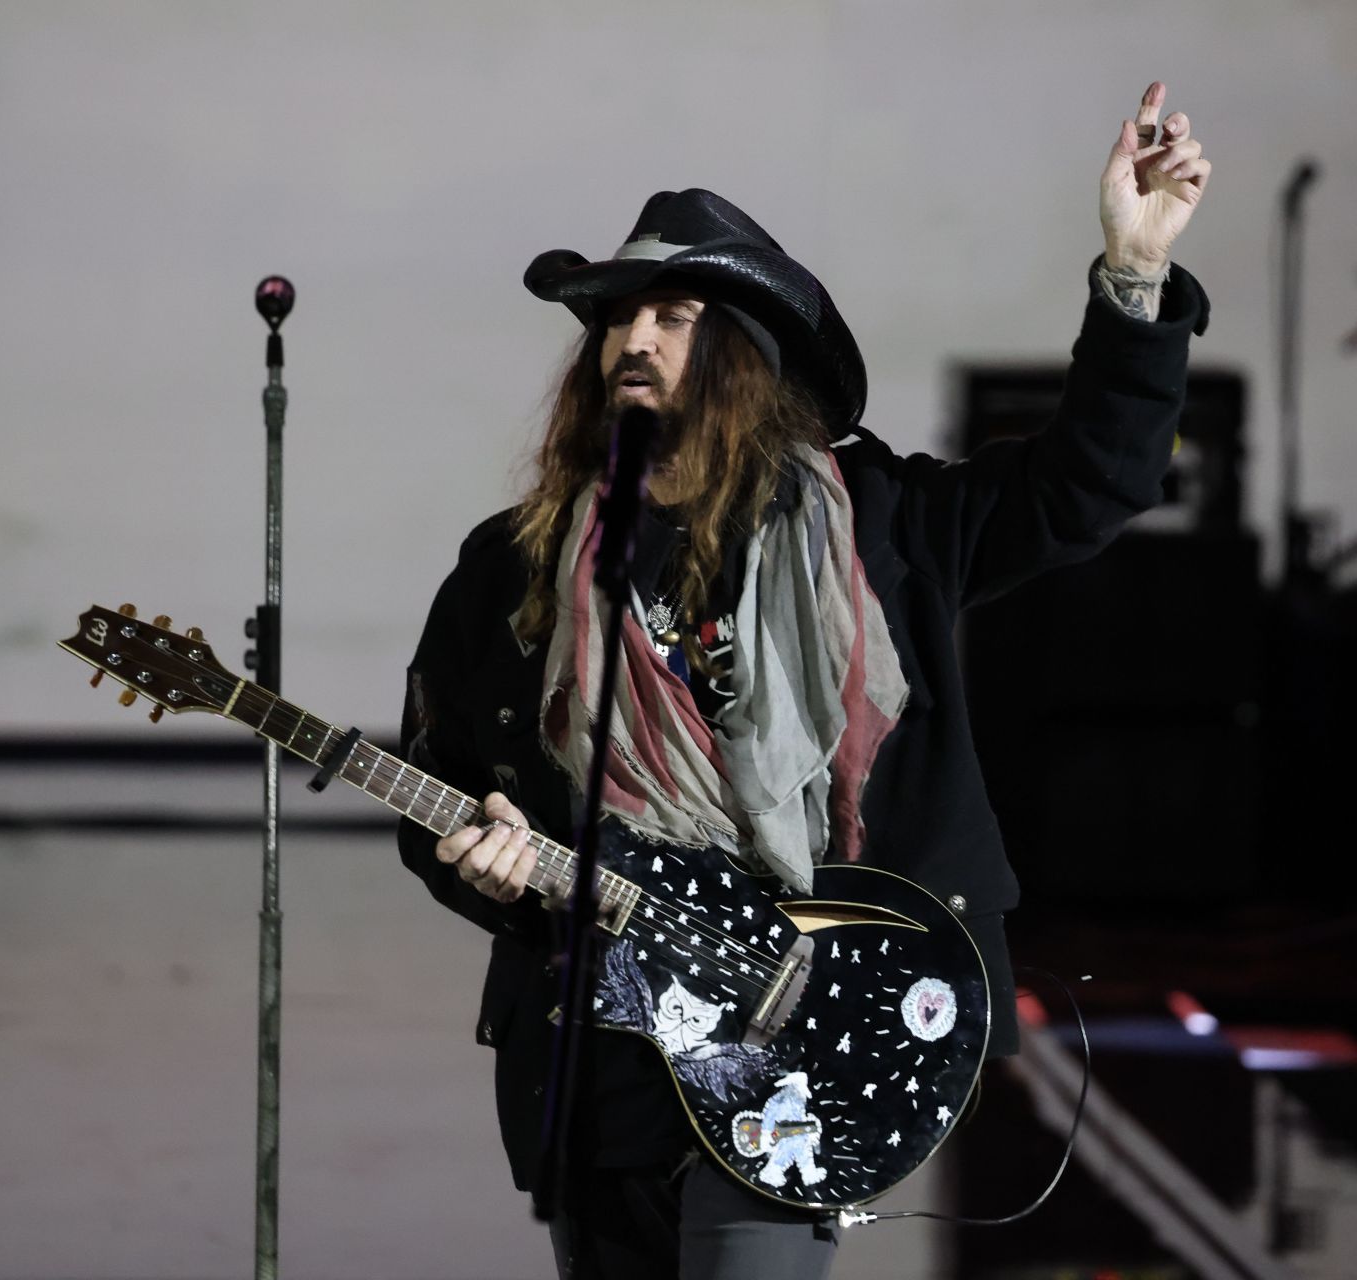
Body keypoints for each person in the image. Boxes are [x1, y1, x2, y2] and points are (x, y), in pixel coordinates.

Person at [396, 81, 1212, 1280]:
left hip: (807, 1019)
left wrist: (1134, 282)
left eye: (673, 316)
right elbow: (445, 787)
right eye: (617, 318)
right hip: (608, 1042)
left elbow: (1085, 486)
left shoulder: (881, 524)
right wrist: (487, 859)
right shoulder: (514, 565)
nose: (633, 339)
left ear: (744, 359)